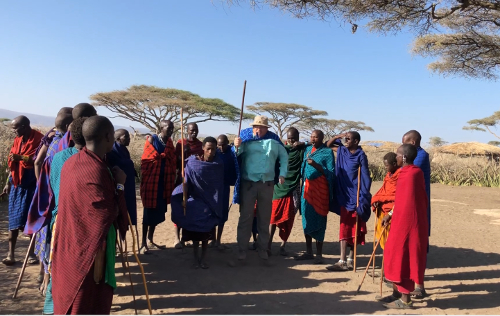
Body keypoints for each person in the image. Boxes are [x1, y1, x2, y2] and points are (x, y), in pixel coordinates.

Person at [51, 116, 128, 315]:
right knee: (86, 302)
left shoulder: (71, 162)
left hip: (70, 244)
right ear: (108, 136)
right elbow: (106, 214)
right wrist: (120, 185)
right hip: (88, 252)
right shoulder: (96, 170)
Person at [43, 117, 87, 315]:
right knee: (77, 270)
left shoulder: (59, 157)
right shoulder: (89, 161)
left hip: (58, 220)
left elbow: (53, 187)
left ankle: (52, 307)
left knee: (58, 267)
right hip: (79, 224)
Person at [25, 112, 73, 294]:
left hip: (46, 194)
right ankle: (47, 278)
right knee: (50, 237)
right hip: (57, 196)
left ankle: (42, 273)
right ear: (70, 125)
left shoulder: (50, 140)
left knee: (45, 232)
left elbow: (37, 162)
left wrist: (42, 185)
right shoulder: (64, 146)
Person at [232, 115, 288, 264]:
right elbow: (236, 154)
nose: (257, 129)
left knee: (264, 218)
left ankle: (262, 248)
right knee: (246, 217)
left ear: (266, 129)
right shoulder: (245, 139)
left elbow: (284, 157)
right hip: (248, 184)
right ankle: (242, 249)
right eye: (255, 127)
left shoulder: (274, 141)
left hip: (267, 184)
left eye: (260, 127)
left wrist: (282, 174)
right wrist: (236, 145)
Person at [379, 144, 429, 309]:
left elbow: (411, 203)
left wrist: (400, 220)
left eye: (398, 155)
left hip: (408, 224)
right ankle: (396, 293)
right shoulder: (405, 173)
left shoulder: (413, 174)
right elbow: (400, 201)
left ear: (405, 157)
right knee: (392, 253)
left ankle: (405, 300)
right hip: (399, 221)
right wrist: (390, 215)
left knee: (403, 257)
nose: (396, 158)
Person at [171, 137, 224, 269]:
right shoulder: (193, 163)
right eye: (208, 149)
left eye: (213, 149)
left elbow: (218, 185)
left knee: (206, 233)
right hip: (195, 199)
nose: (211, 152)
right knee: (195, 232)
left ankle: (203, 258)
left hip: (211, 201)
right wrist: (183, 197)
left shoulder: (218, 164)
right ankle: (195, 258)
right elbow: (186, 182)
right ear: (203, 149)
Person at [326, 131, 372, 271]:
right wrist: (336, 137)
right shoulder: (342, 150)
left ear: (356, 141)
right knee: (344, 226)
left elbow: (365, 176)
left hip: (356, 195)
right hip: (343, 194)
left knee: (356, 227)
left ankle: (350, 259)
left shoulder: (361, 155)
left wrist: (363, 196)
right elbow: (327, 146)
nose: (346, 140)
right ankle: (342, 259)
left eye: (349, 138)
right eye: (345, 138)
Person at [2, 116, 43, 266]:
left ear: (24, 126)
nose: (13, 131)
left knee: (30, 220)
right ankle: (10, 254)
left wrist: (22, 157)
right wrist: (8, 183)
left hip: (31, 186)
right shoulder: (18, 140)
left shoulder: (39, 139)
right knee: (13, 221)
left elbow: (40, 160)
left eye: (15, 128)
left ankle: (31, 254)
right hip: (16, 185)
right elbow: (12, 163)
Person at [295, 130, 335, 264]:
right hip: (307, 189)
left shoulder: (327, 152)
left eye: (316, 137)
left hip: (320, 191)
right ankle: (308, 252)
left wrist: (316, 165)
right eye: (311, 137)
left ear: (322, 138)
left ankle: (319, 254)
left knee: (319, 219)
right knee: (306, 218)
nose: (313, 139)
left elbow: (331, 173)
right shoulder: (307, 149)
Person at [139, 120, 176, 253]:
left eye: (172, 127)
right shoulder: (152, 140)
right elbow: (146, 160)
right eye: (168, 127)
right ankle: (143, 243)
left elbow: (173, 160)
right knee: (148, 212)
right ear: (161, 128)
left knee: (157, 212)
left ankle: (150, 239)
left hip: (163, 183)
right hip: (151, 182)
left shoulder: (170, 143)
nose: (171, 130)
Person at [402, 130, 431, 299]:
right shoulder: (414, 157)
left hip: (418, 208)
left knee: (417, 246)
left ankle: (420, 286)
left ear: (412, 143)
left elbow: (407, 170)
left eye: (404, 143)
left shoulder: (421, 157)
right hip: (409, 206)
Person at [268, 127, 305, 256]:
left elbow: (321, 144)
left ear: (298, 138)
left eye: (294, 139)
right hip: (279, 187)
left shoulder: (302, 150)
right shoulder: (280, 149)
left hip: (293, 188)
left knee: (289, 219)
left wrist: (303, 144)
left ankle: (283, 245)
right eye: (289, 139)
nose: (291, 141)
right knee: (273, 218)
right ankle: (268, 245)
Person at [173, 122, 204, 247]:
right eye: (191, 130)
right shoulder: (181, 143)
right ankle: (176, 238)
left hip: (195, 180)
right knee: (180, 206)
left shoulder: (200, 145)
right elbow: (175, 162)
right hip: (182, 178)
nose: (194, 132)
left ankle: (189, 236)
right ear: (187, 131)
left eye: (196, 130)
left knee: (192, 208)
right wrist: (182, 155)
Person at [107, 129, 139, 233]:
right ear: (117, 138)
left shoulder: (124, 150)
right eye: (126, 136)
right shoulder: (112, 151)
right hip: (120, 188)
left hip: (128, 187)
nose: (129, 139)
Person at [210, 134, 238, 249]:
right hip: (213, 189)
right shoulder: (214, 153)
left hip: (225, 188)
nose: (221, 148)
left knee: (222, 214)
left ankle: (218, 240)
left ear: (228, 143)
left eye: (223, 145)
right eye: (219, 145)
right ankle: (212, 239)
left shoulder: (232, 154)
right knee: (212, 213)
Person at [371, 152, 400, 250]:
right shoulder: (388, 176)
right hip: (383, 208)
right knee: (383, 238)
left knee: (392, 239)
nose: (385, 168)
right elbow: (383, 190)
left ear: (394, 164)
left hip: (392, 210)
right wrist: (377, 199)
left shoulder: (400, 175)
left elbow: (398, 196)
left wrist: (390, 213)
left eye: (387, 165)